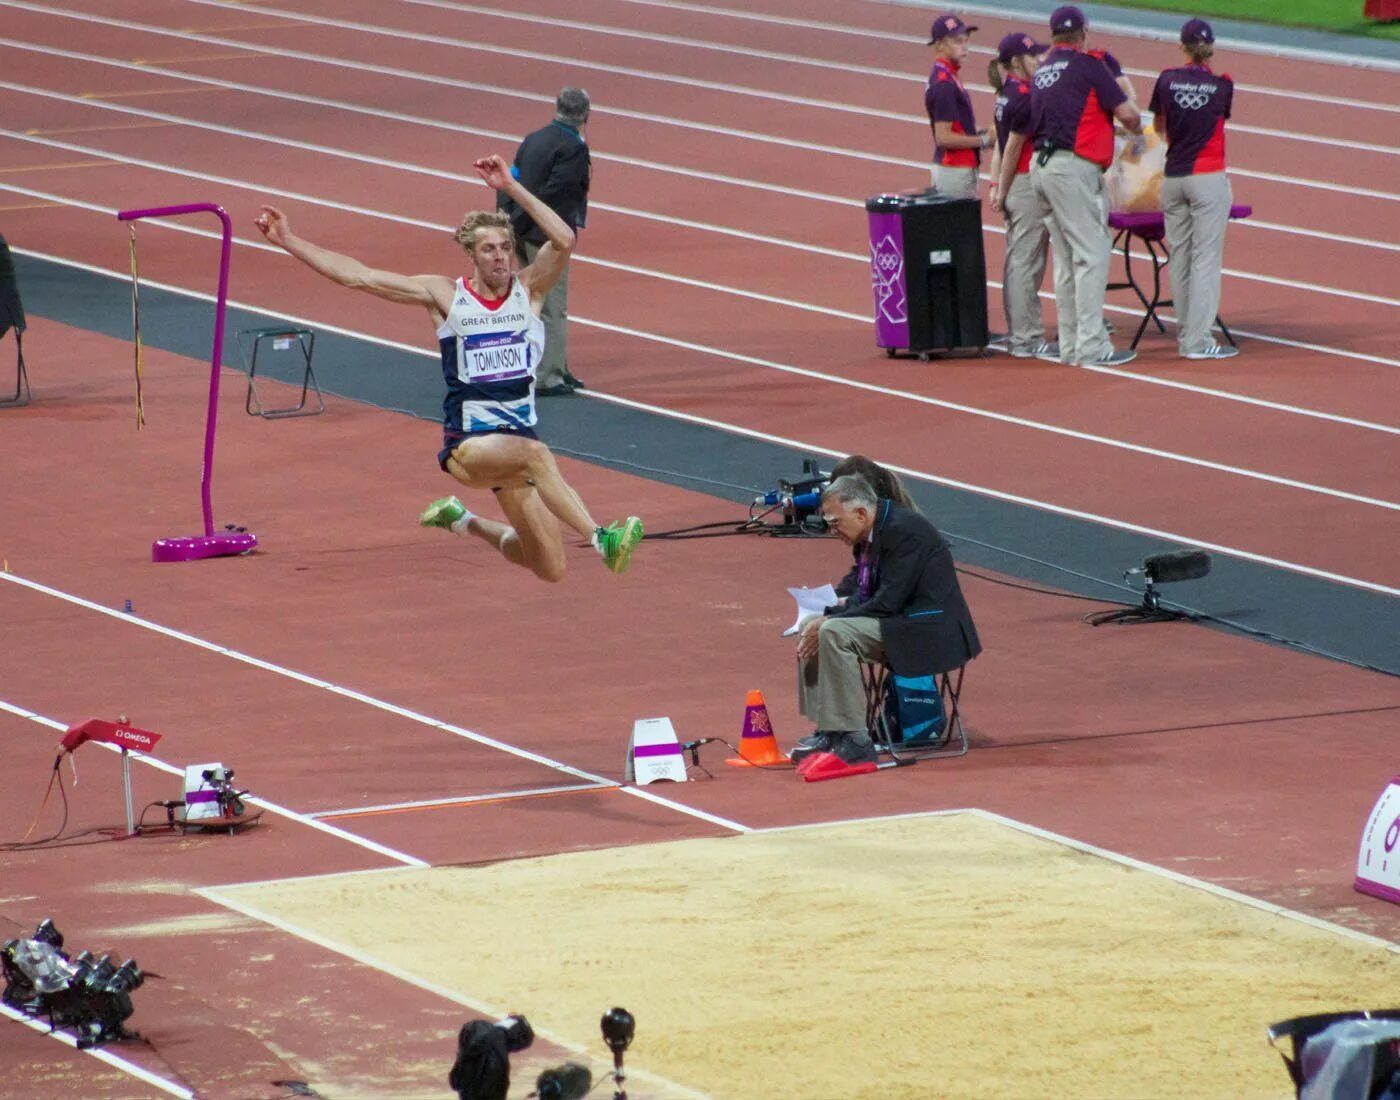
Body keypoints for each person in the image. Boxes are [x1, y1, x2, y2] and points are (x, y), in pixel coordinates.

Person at [253, 155, 643, 582]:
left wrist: (511, 189)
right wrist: (290, 241)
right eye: (489, 249)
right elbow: (358, 277)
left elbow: (564, 240)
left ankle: (463, 521)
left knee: (549, 566)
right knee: (538, 455)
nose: (500, 258)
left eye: (506, 248)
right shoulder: (445, 295)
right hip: (469, 446)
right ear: (471, 255)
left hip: (514, 447)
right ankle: (601, 538)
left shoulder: (529, 290)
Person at [791, 474, 981, 766]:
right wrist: (831, 604)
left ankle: (854, 737)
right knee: (811, 625)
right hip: (897, 622)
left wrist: (833, 615)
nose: (831, 530)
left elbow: (887, 600)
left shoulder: (906, 533)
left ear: (861, 513)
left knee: (833, 631)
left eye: (834, 522)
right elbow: (862, 585)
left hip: (928, 631)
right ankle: (828, 730)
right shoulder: (869, 532)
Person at [1025, 5, 1144, 368]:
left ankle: (1072, 345)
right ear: (1083, 34)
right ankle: (1092, 346)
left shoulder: (1043, 70)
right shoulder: (1090, 65)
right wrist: (1136, 130)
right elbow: (1128, 114)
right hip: (1073, 169)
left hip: (1041, 167)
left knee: (1065, 258)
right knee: (1092, 254)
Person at [1150, 19, 1239, 361]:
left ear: (1181, 46)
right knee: (1205, 259)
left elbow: (1159, 126)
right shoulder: (1223, 86)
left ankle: (1186, 331)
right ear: (1211, 47)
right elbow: (1219, 120)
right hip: (1208, 178)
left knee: (1180, 257)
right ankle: (1197, 341)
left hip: (1173, 178)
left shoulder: (1166, 80)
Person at [497, 87, 592, 395]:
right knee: (552, 305)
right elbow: (558, 192)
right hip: (547, 237)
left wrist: (509, 222)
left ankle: (557, 367)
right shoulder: (574, 148)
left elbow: (510, 179)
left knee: (532, 298)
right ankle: (549, 375)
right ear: (586, 115)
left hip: (522, 231)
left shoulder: (533, 138)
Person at [988, 33, 1055, 360]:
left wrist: (995, 185)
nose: (1040, 61)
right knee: (1026, 262)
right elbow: (1013, 147)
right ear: (1016, 63)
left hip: (1014, 183)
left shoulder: (1005, 94)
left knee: (1019, 259)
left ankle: (1021, 333)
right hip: (1024, 183)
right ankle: (1025, 338)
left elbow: (1000, 145)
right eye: (1033, 57)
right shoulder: (1025, 97)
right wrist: (1001, 187)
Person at [924, 13, 995, 198]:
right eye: (957, 41)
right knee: (955, 226)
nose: (965, 47)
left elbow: (957, 125)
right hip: (954, 170)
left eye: (966, 41)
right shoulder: (944, 84)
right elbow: (943, 137)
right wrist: (984, 140)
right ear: (939, 45)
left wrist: (979, 133)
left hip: (957, 168)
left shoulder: (949, 76)